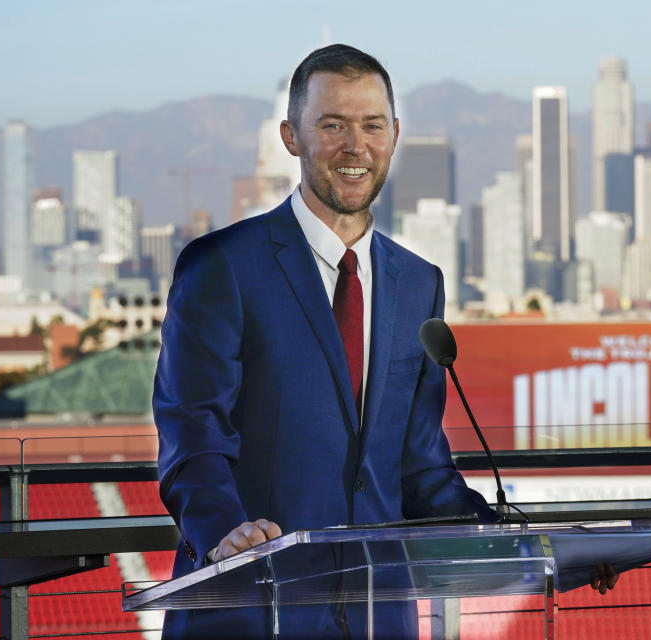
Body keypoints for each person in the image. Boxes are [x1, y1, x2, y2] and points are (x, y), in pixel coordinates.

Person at [153, 44, 497, 639]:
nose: (354, 146)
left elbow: (416, 462)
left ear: (394, 135)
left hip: (379, 615)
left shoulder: (419, 283)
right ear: (292, 136)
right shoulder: (222, 266)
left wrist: (510, 538)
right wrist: (224, 532)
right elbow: (192, 431)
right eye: (332, 125)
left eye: (372, 126)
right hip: (253, 607)